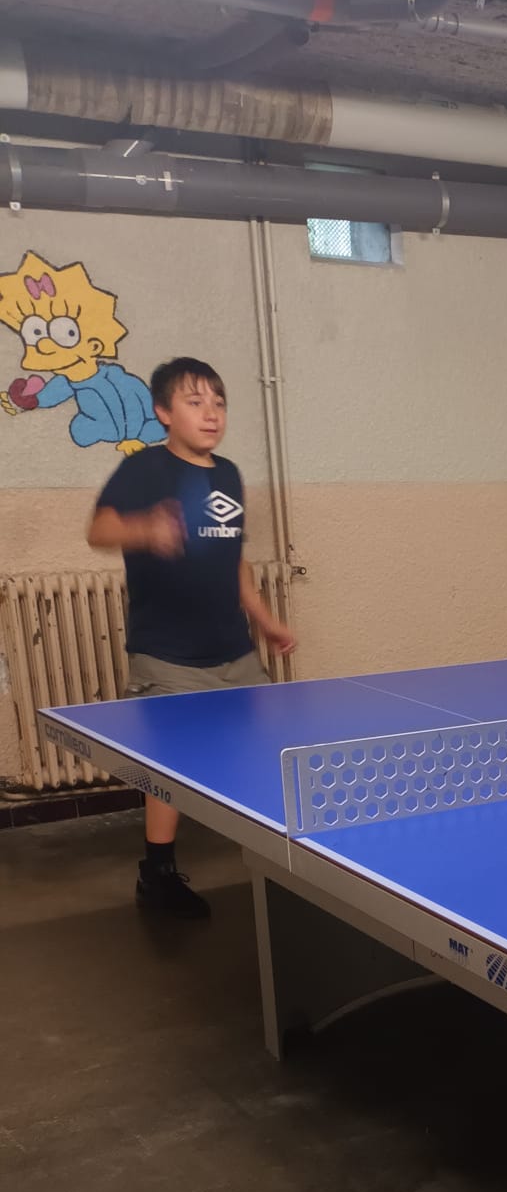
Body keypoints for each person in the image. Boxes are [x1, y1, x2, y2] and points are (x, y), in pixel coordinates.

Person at [87, 356, 295, 919]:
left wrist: (263, 617)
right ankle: (157, 876)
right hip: (167, 654)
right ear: (163, 412)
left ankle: (281, 865)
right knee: (169, 770)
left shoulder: (227, 474)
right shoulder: (144, 469)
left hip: (233, 650)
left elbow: (235, 557)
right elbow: (99, 528)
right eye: (195, 402)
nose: (211, 414)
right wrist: (145, 528)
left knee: (268, 751)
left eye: (219, 403)